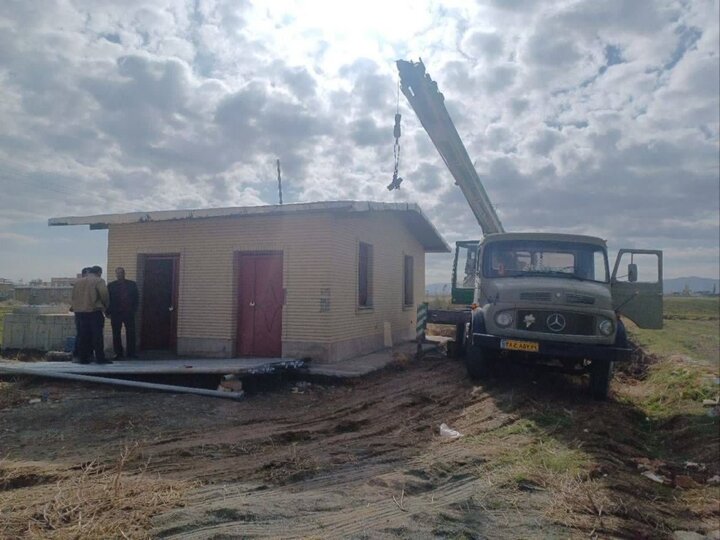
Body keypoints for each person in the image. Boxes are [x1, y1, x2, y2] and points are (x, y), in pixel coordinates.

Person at [71, 265, 110, 364]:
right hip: (94, 311)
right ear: (99, 272)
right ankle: (100, 358)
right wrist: (105, 306)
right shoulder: (99, 281)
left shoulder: (78, 282)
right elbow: (104, 294)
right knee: (97, 336)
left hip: (80, 312)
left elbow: (73, 296)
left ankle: (83, 358)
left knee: (83, 336)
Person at [107, 267, 139, 359]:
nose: (119, 274)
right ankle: (118, 353)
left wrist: (134, 310)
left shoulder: (132, 284)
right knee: (116, 334)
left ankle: (131, 353)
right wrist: (108, 312)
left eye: (121, 273)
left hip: (129, 312)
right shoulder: (111, 285)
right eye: (118, 273)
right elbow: (108, 299)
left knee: (131, 333)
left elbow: (136, 298)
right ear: (116, 274)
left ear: (124, 273)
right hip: (115, 313)